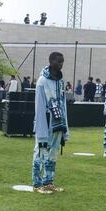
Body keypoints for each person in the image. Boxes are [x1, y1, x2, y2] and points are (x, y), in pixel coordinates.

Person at [32, 52, 69, 194]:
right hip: (45, 122)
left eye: (62, 62)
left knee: (53, 153)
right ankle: (37, 184)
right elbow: (39, 106)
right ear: (51, 61)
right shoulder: (42, 81)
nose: (61, 65)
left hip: (58, 123)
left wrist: (65, 127)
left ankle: (48, 181)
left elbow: (63, 104)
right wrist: (41, 129)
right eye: (59, 62)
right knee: (40, 151)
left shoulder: (60, 81)